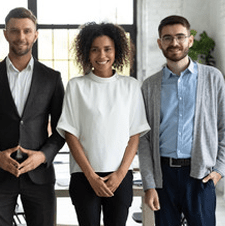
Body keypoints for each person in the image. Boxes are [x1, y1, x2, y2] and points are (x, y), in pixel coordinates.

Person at [0, 7, 65, 226]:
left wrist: (42, 156)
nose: (21, 37)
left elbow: (61, 129)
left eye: (27, 31)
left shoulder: (52, 78)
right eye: (15, 31)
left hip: (39, 175)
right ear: (5, 34)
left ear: (35, 35)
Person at [138, 15, 225, 226]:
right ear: (159, 43)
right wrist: (149, 184)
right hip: (163, 177)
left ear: (190, 40)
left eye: (180, 37)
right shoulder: (149, 86)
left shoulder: (212, 77)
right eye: (167, 38)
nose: (174, 43)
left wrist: (219, 171)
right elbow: (143, 139)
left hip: (200, 175)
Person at [56, 22, 150, 226]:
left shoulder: (131, 86)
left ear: (117, 50)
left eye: (108, 49)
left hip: (120, 176)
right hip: (84, 175)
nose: (102, 56)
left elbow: (135, 134)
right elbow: (70, 134)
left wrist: (120, 174)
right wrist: (90, 176)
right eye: (95, 50)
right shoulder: (76, 86)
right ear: (86, 53)